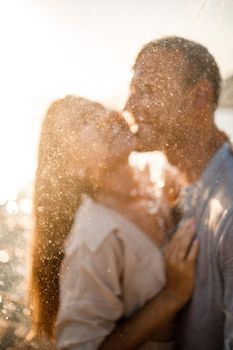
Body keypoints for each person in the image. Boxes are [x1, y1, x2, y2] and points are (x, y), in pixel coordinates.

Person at [28, 95, 198, 350]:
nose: (106, 116)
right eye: (84, 121)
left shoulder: (159, 181)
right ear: (71, 167)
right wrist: (170, 296)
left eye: (98, 108)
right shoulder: (95, 238)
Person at [125, 36, 233, 349]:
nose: (128, 107)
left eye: (147, 91)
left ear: (199, 97)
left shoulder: (227, 214)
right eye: (133, 90)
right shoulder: (165, 174)